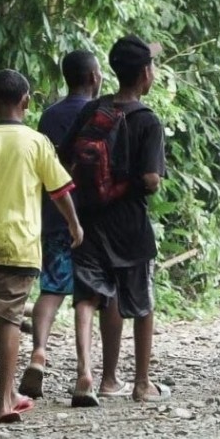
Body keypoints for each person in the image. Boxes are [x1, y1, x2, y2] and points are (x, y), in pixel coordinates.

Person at [0, 69, 84, 424]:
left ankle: (10, 393)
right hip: (22, 241)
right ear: (26, 101)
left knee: (5, 314)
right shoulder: (37, 142)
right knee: (9, 318)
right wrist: (74, 224)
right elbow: (59, 190)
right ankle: (4, 400)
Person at [60, 35, 170, 405]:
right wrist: (135, 183)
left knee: (91, 296)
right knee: (140, 301)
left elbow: (65, 159)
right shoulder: (147, 120)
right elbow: (151, 179)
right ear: (145, 74)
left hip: (89, 219)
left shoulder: (94, 110)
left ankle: (91, 375)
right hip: (130, 225)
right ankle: (141, 383)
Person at [19, 50, 129, 401]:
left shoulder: (49, 116)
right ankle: (86, 373)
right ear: (95, 76)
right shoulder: (104, 113)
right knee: (90, 296)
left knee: (51, 289)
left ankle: (39, 353)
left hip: (55, 216)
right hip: (94, 220)